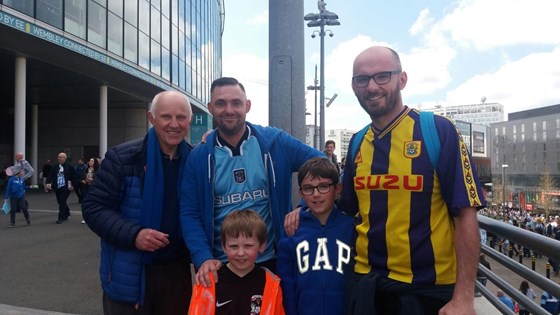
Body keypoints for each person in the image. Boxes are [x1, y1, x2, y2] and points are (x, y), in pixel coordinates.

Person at [340, 46, 486, 314]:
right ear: (354, 86)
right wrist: (302, 214)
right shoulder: (357, 142)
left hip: (428, 292)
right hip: (368, 287)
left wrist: (464, 297)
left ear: (402, 79)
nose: (372, 86)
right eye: (362, 79)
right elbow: (347, 210)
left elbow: (466, 214)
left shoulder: (438, 130)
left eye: (382, 76)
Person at [180, 77, 323, 286]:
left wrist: (304, 208)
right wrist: (203, 257)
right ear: (210, 107)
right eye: (221, 103)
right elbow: (189, 214)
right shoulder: (199, 157)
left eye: (236, 103)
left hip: (273, 262)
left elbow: (323, 165)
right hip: (222, 268)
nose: (229, 110)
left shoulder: (275, 142)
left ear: (247, 106)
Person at [82, 91, 194, 314]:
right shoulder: (123, 158)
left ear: (189, 120)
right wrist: (135, 235)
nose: (174, 124)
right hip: (130, 273)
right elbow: (94, 208)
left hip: (177, 273)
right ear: (151, 119)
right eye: (166, 117)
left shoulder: (195, 160)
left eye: (181, 117)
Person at [277, 157, 353, 315]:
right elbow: (287, 283)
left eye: (324, 186)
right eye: (308, 188)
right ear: (301, 193)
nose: (316, 194)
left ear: (337, 188)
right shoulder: (292, 230)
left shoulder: (352, 228)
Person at [189, 209, 285, 314]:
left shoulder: (271, 283)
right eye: (234, 246)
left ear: (262, 246)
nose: (240, 253)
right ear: (224, 247)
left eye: (248, 246)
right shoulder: (209, 282)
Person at [45, 152, 77, 224]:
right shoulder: (55, 167)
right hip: (57, 187)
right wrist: (47, 183)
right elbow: (50, 175)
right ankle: (67, 211)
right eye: (58, 157)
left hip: (66, 187)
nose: (59, 158)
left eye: (61, 157)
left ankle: (61, 217)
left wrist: (73, 185)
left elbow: (74, 177)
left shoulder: (70, 167)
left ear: (65, 158)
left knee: (62, 201)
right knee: (60, 201)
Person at [80, 157, 99, 224]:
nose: (90, 162)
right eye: (90, 161)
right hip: (86, 187)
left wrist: (93, 180)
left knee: (93, 203)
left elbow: (99, 180)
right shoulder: (86, 169)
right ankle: (85, 217)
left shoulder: (97, 170)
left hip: (94, 188)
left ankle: (95, 217)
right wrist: (83, 181)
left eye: (92, 161)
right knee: (85, 203)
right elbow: (81, 177)